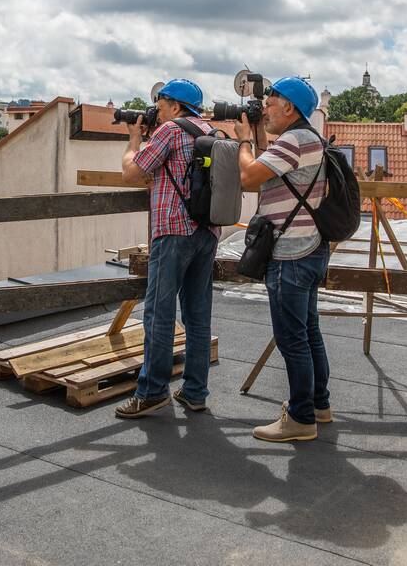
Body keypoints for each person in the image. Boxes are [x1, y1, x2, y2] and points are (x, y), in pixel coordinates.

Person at [233, 76, 330, 442]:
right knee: (308, 332)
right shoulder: (309, 139)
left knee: (292, 339)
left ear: (290, 107)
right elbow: (269, 168)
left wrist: (243, 138)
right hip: (311, 247)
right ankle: (319, 404)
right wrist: (257, 135)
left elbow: (248, 176)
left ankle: (301, 418)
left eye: (271, 100)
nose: (266, 106)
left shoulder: (295, 140)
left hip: (290, 253)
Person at [116, 79, 219, 419]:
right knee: (198, 316)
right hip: (208, 232)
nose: (156, 113)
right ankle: (195, 392)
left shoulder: (171, 131)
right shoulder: (214, 133)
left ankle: (152, 392)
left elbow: (133, 173)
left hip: (173, 230)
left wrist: (134, 138)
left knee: (159, 314)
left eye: (160, 106)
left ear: (175, 106)